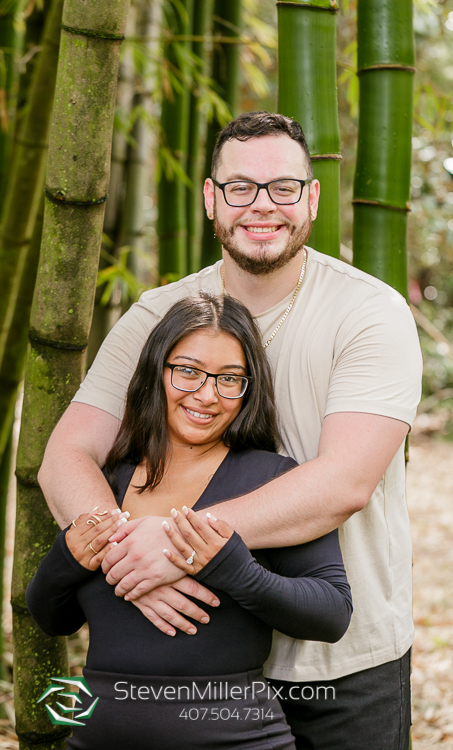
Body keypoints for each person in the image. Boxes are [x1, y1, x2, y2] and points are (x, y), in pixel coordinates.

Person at [38, 111, 422, 750]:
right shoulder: (156, 316)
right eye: (240, 188)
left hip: (339, 664)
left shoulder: (369, 313)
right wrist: (125, 555)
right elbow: (66, 456)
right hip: (192, 667)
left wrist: (175, 544)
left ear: (312, 199)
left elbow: (343, 483)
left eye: (283, 188)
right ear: (212, 199)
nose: (261, 206)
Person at [27, 293, 352, 750]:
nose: (207, 395)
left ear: (248, 389)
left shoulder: (269, 478)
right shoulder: (109, 481)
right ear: (156, 371)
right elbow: (51, 617)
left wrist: (229, 567)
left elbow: (331, 612)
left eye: (229, 379)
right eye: (188, 371)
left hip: (235, 739)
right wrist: (69, 557)